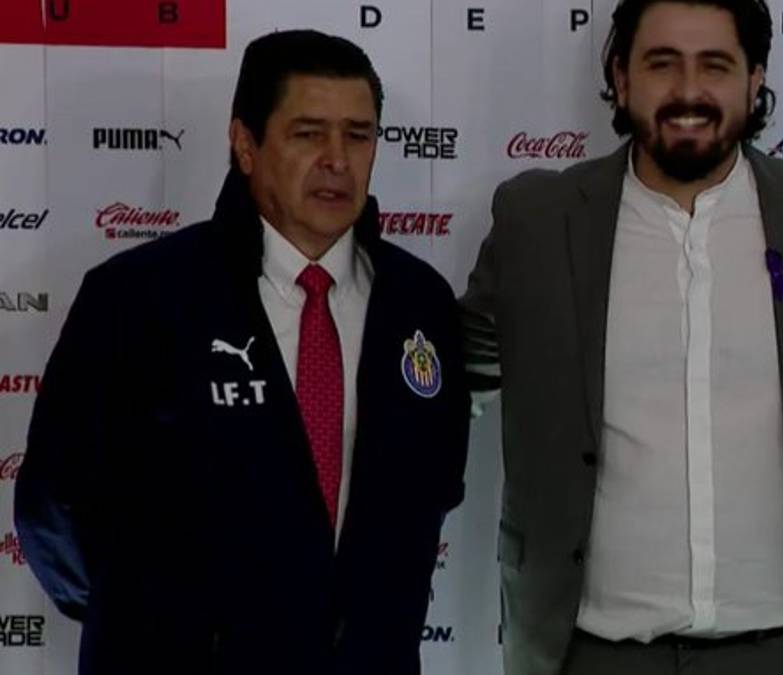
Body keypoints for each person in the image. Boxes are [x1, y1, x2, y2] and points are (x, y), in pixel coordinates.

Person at [15, 29, 468, 675]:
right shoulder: (138, 297)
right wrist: (155, 624)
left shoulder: (421, 303)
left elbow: (435, 489)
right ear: (245, 144)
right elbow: (55, 508)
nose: (337, 159)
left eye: (358, 135)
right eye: (308, 133)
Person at [460, 2, 783, 674]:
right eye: (662, 64)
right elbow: (452, 377)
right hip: (587, 652)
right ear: (621, 78)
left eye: (715, 65)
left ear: (754, 80)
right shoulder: (536, 222)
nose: (689, 91)